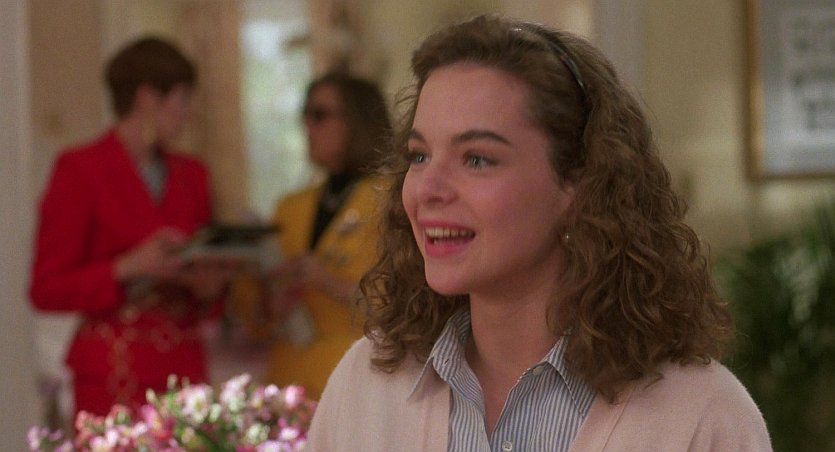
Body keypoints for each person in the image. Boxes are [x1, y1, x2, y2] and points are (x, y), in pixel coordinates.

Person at [307, 14, 772, 451]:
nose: (427, 189)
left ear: (578, 183)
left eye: (476, 159)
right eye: (420, 156)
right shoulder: (365, 388)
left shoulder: (700, 416)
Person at [29, 37, 237, 416]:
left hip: (184, 367)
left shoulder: (192, 175)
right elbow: (46, 288)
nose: (188, 114)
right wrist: (126, 267)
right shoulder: (80, 170)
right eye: (181, 100)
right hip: (113, 371)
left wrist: (209, 286)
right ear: (147, 98)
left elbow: (209, 294)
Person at [231, 72, 392, 399]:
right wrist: (269, 304)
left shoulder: (392, 200)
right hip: (287, 382)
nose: (307, 125)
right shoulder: (289, 207)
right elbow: (251, 315)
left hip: (358, 380)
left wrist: (329, 282)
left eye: (319, 115)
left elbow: (405, 305)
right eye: (304, 114)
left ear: (357, 120)